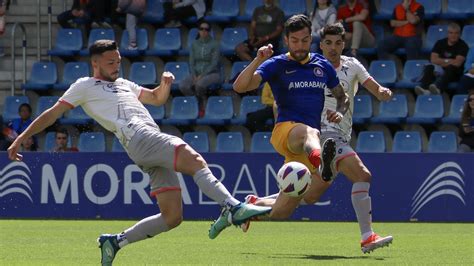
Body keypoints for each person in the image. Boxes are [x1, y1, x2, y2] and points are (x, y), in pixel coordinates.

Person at [7, 40, 271, 266]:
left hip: (145, 143)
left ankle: (115, 242)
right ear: (95, 64)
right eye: (110, 62)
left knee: (172, 217)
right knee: (194, 159)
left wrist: (165, 84)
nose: (116, 66)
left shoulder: (123, 83)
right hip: (140, 137)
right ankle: (232, 207)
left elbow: (156, 98)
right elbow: (52, 113)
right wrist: (21, 137)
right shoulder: (84, 85)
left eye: (118, 60)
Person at [208, 14, 350, 239]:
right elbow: (239, 86)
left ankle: (241, 211)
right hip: (287, 131)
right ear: (286, 40)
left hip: (307, 143)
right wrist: (257, 60)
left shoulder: (322, 65)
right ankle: (321, 160)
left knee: (285, 209)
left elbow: (343, 98)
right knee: (310, 132)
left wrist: (340, 113)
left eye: (304, 40)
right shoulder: (277, 64)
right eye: (295, 40)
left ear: (310, 38)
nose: (300, 45)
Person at [179, 20, 221, 116]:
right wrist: (194, 75)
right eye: (201, 29)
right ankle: (195, 103)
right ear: (198, 30)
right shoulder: (194, 44)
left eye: (206, 29)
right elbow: (191, 62)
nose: (203, 31)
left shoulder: (215, 44)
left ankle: (203, 104)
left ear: (209, 31)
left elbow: (214, 63)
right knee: (183, 85)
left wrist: (202, 75)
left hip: (212, 74)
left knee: (199, 85)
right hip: (196, 73)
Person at [415, 22, 469, 96]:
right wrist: (449, 60)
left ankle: (438, 88)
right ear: (447, 33)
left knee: (451, 68)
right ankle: (424, 89)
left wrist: (441, 61)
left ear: (459, 34)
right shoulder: (440, 43)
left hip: (455, 73)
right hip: (439, 70)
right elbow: (433, 60)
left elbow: (457, 63)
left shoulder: (463, 46)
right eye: (451, 33)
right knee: (430, 67)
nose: (453, 35)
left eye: (456, 33)